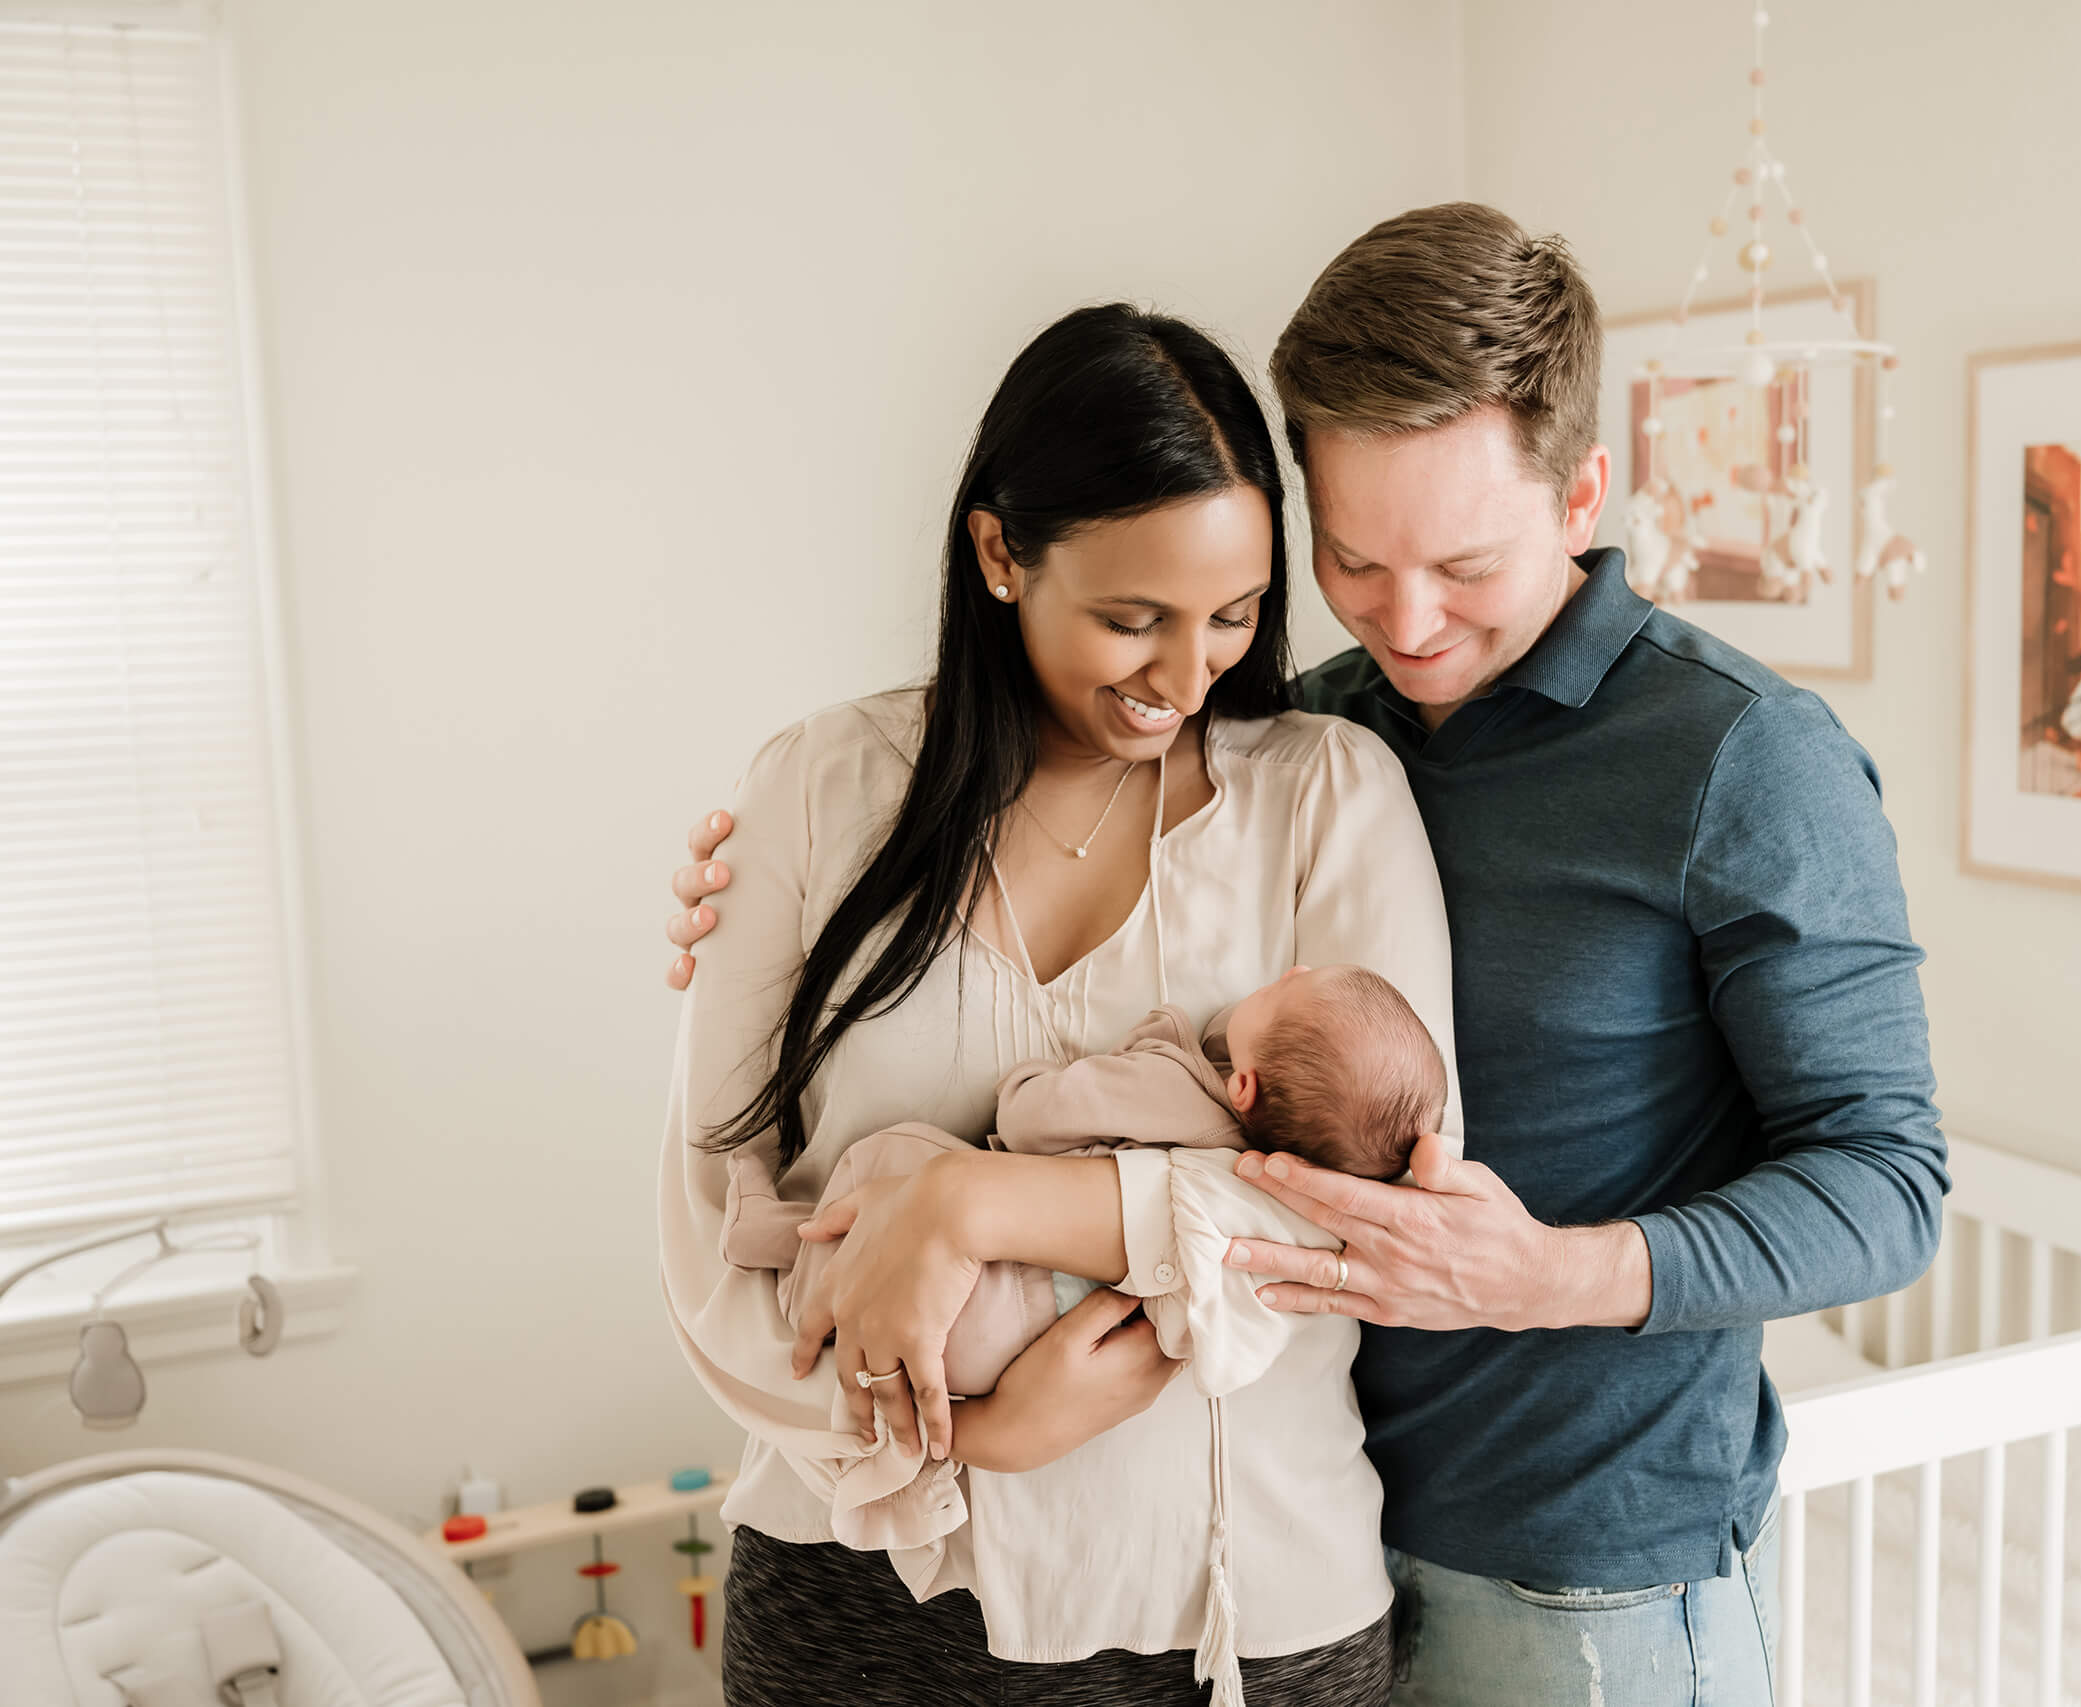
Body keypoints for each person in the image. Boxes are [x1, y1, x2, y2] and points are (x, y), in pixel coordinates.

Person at [671, 204, 1947, 1707]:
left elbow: (1892, 1177)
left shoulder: (1744, 760)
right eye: (1352, 558)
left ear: (1586, 492)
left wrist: (1560, 1272)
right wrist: (761, 884)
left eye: (1464, 564)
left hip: (1574, 1554)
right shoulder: (1332, 727)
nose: (1408, 622)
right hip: (1326, 1509)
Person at [659, 303, 1461, 1707]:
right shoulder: (820, 787)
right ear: (998, 554)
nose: (1186, 673)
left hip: (1238, 1608)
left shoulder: (1327, 797)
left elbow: (1375, 1207)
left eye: (1235, 613)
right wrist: (964, 1432)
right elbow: (705, 1216)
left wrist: (968, 1205)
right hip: (869, 1599)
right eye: (1130, 617)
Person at [714, 964, 1445, 1565]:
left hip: (991, 1287)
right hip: (1044, 1350)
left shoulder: (1176, 1089)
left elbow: (1030, 1118)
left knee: (894, 1169)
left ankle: (777, 1238)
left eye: (1288, 988)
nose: (1291, 968)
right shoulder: (1275, 1217)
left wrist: (1049, 1076)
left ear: (1243, 1086)